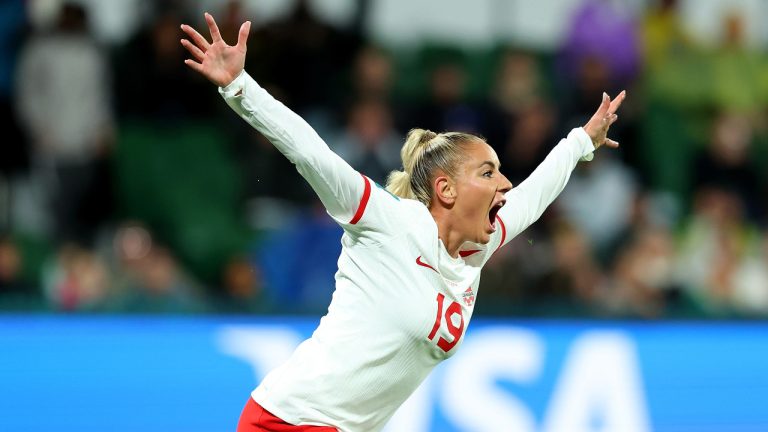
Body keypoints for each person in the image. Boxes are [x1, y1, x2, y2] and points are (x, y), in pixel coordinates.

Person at [181, 13, 625, 432]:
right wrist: (239, 86)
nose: (506, 184)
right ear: (446, 190)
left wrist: (583, 141)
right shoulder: (385, 222)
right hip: (287, 420)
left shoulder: (476, 248)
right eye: (488, 172)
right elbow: (309, 151)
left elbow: (535, 192)